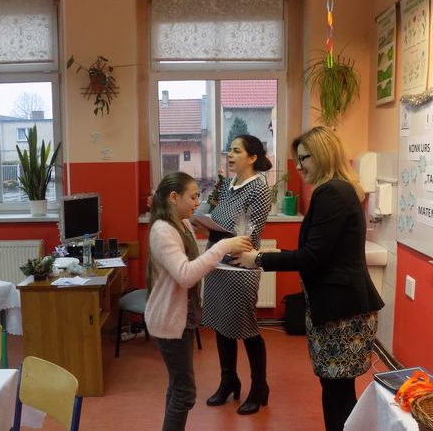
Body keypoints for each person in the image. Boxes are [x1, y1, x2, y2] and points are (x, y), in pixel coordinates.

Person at [233, 126, 384, 430]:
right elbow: (319, 252)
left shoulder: (332, 192)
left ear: (324, 155)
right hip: (341, 309)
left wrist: (258, 259)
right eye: (298, 159)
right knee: (338, 391)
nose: (299, 166)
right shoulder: (340, 189)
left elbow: (313, 256)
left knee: (337, 394)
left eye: (305, 158)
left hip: (341, 313)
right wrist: (266, 255)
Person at [144, 171, 252, 431]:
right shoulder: (162, 231)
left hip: (184, 317)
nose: (197, 202)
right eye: (192, 197)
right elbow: (185, 275)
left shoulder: (181, 223)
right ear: (174, 197)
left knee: (177, 386)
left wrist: (221, 252)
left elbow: (193, 263)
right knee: (185, 394)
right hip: (170, 322)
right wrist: (223, 246)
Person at [195, 134, 273, 415]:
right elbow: (220, 219)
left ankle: (259, 387)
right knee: (221, 325)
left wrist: (219, 232)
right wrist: (206, 223)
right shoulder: (228, 185)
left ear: (252, 158)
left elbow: (250, 233)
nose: (229, 154)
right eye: (229, 150)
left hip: (240, 265)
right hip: (217, 261)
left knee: (247, 329)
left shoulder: (259, 188)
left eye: (236, 151)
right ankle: (229, 380)